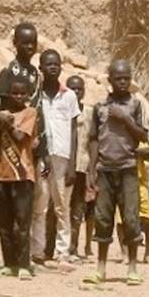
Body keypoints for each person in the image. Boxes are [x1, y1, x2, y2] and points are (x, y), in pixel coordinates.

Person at [83, 59, 147, 286]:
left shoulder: (136, 106)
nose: (123, 82)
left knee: (131, 218)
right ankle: (100, 268)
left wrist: (125, 119)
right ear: (110, 80)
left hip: (128, 167)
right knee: (102, 218)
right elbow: (92, 139)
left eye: (127, 78)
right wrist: (91, 169)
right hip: (105, 169)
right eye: (118, 78)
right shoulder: (100, 107)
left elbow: (143, 136)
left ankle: (132, 267)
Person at [0, 77, 39, 280]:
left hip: (23, 175)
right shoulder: (3, 116)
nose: (19, 97)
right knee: (4, 222)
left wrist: (7, 124)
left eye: (22, 93)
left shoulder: (30, 113)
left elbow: (21, 138)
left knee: (22, 222)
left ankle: (24, 264)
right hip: (2, 174)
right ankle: (8, 263)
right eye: (15, 93)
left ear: (28, 95)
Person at [34, 49, 79, 264]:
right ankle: (38, 250)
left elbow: (73, 129)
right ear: (41, 68)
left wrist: (72, 163)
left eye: (56, 63)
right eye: (48, 64)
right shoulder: (36, 95)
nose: (53, 67)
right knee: (40, 203)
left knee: (62, 206)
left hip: (62, 157)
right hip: (42, 157)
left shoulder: (69, 96)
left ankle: (62, 251)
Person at [66, 75, 95, 260]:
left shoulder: (90, 112)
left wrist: (94, 167)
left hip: (82, 165)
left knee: (79, 207)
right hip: (64, 164)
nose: (76, 92)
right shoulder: (62, 109)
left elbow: (94, 140)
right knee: (60, 207)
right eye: (73, 89)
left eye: (79, 89)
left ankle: (74, 246)